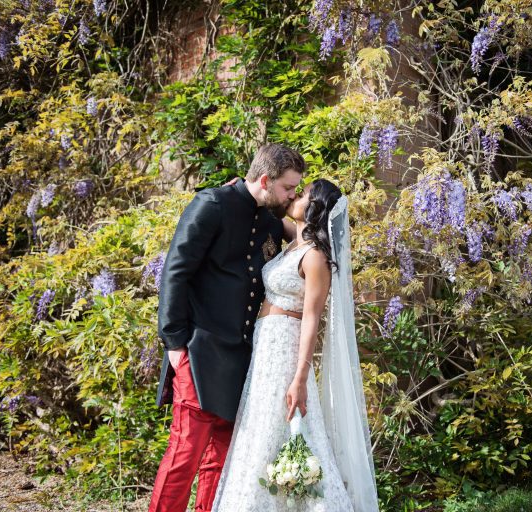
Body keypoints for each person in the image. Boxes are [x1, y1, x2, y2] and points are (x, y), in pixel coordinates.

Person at [148, 143, 305, 512]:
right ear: (264, 180)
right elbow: (175, 272)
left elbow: (306, 239)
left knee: (221, 457)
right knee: (185, 454)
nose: (293, 194)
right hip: (199, 351)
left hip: (243, 358)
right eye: (288, 188)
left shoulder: (268, 217)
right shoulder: (212, 205)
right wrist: (174, 341)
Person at [212, 179, 379, 511]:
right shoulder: (293, 240)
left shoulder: (315, 257)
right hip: (264, 345)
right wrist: (234, 190)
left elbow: (312, 319)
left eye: (303, 195)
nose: (296, 195)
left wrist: (300, 377)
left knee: (281, 428)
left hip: (286, 349)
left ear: (316, 207)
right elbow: (263, 206)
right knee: (259, 426)